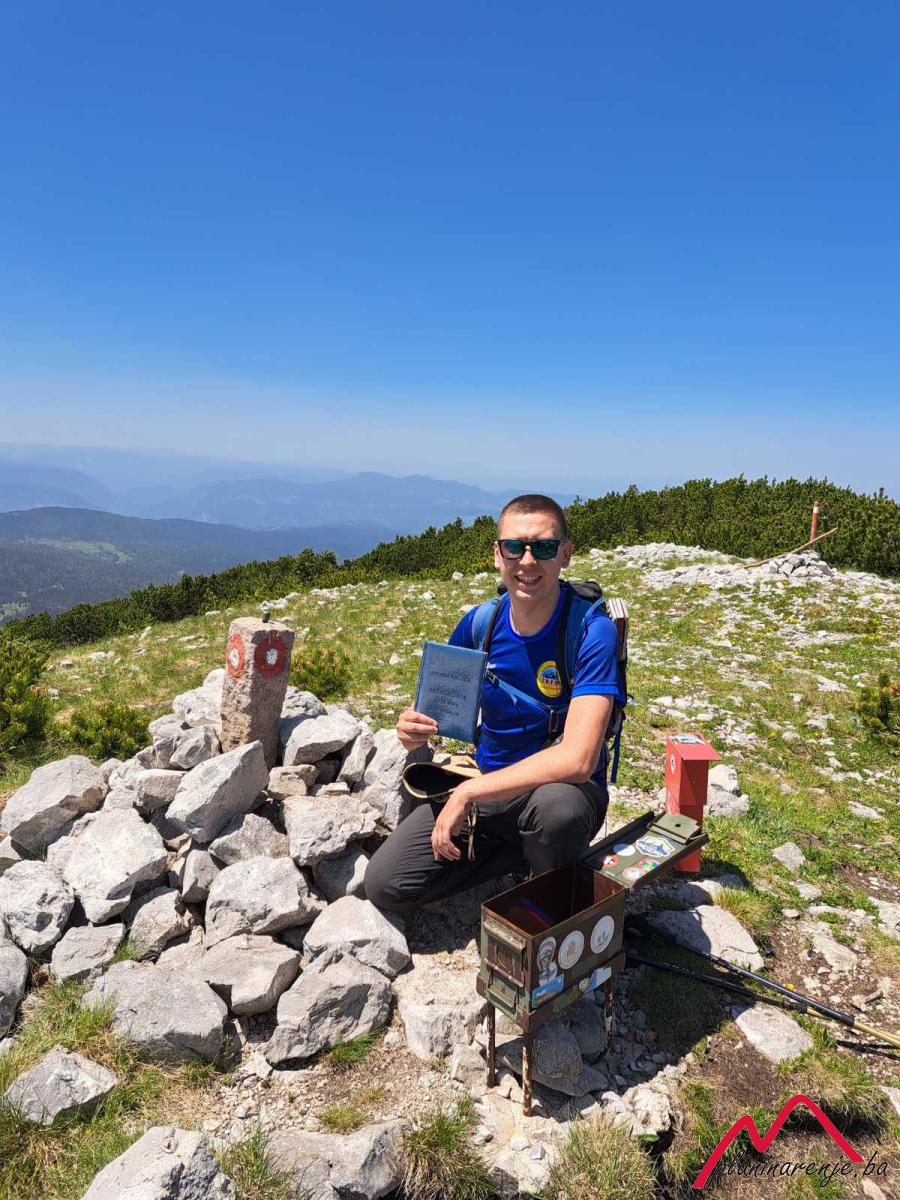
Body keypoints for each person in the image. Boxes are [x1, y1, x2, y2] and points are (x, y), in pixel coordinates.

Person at [364, 493, 622, 913]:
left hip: (555, 792)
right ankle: (521, 855)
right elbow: (436, 709)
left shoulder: (591, 631)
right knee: (386, 884)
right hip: (490, 783)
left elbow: (578, 760)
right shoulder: (480, 623)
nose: (527, 561)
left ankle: (548, 883)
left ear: (565, 554)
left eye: (543, 547)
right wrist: (412, 729)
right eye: (513, 547)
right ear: (497, 555)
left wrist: (468, 793)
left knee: (557, 813)